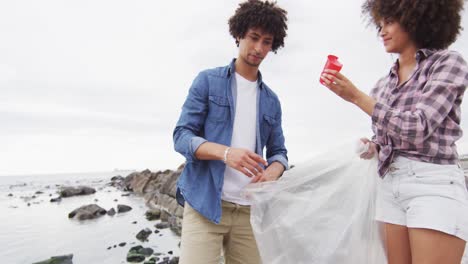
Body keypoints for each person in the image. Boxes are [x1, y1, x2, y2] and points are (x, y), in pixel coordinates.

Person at [320, 0, 468, 263]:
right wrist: (373, 146)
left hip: (433, 184)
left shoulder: (448, 64)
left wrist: (355, 97)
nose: (382, 31)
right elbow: (389, 138)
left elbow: (418, 126)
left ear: (414, 19)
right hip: (389, 187)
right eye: (379, 24)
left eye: (389, 22)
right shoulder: (382, 86)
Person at [173, 1, 289, 263]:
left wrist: (273, 170)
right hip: (205, 205)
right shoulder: (207, 81)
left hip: (249, 210)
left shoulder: (271, 101)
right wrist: (226, 154)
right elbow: (181, 136)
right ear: (239, 34)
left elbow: (280, 153)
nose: (259, 48)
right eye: (254, 38)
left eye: (267, 42)